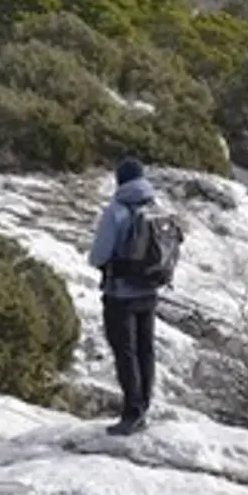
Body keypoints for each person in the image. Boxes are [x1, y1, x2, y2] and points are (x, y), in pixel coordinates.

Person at [88, 157, 166, 435]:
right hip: (150, 289)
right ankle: (144, 406)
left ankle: (132, 413)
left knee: (126, 352)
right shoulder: (156, 206)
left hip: (121, 293)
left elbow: (98, 255)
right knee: (146, 350)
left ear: (120, 180)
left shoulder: (116, 210)